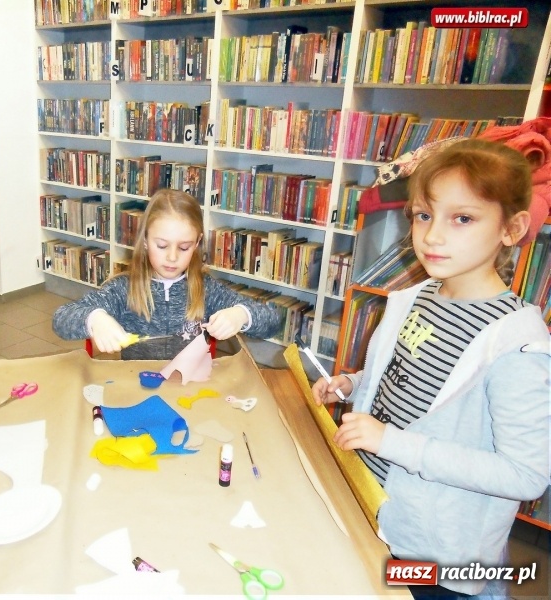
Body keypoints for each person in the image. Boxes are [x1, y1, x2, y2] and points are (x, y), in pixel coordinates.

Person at [312, 139, 550, 598]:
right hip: (378, 509)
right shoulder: (414, 299)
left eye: (463, 218)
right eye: (424, 215)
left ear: (512, 228)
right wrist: (352, 385)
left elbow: (526, 474)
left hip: (441, 557)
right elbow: (401, 378)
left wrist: (392, 442)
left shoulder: (518, 346)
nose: (434, 236)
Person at [53, 189, 283, 359]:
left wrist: (241, 314)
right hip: (137, 385)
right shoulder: (123, 288)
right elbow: (61, 319)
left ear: (197, 244)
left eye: (184, 247)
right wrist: (95, 318)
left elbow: (273, 320)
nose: (172, 257)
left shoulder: (207, 289)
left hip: (191, 391)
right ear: (144, 241)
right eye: (162, 245)